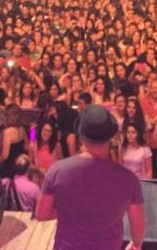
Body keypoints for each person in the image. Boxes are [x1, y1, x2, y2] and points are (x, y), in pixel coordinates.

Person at [36, 104, 145, 250]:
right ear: (111, 137)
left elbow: (42, 214)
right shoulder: (129, 179)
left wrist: (69, 210)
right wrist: (136, 245)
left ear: (81, 136)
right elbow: (137, 228)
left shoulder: (57, 171)